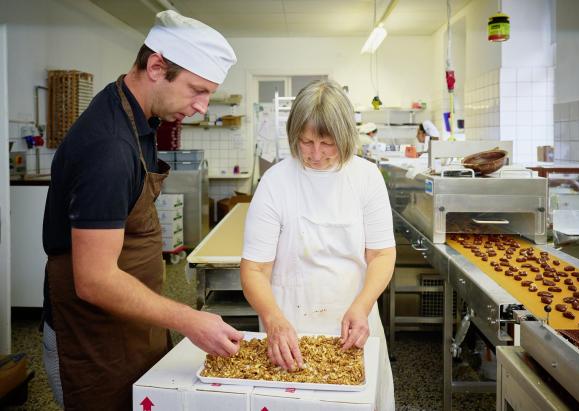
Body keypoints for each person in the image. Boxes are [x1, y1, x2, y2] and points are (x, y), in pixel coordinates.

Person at [41, 10, 243, 410]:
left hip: (127, 325)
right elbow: (95, 280)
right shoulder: (110, 147)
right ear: (156, 66)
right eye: (197, 90)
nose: (203, 106)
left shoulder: (137, 118)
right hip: (92, 338)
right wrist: (188, 319)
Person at [240, 79, 396, 411]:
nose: (315, 154)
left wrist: (363, 305)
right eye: (306, 141)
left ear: (345, 138)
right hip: (289, 324)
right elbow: (254, 268)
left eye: (326, 143)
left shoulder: (366, 178)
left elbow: (381, 253)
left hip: (354, 322)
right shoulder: (276, 183)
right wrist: (273, 319)